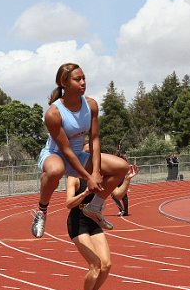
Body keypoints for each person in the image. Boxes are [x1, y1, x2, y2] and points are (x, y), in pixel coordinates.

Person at [31, 63, 129, 238]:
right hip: (56, 155)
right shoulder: (53, 114)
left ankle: (95, 207)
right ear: (64, 83)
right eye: (78, 79)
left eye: (84, 78)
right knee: (56, 170)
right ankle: (41, 211)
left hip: (79, 156)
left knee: (121, 167)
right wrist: (88, 177)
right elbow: (66, 150)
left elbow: (94, 139)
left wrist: (97, 171)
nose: (83, 82)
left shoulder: (91, 105)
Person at [67, 163, 139, 290]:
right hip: (77, 224)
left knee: (106, 265)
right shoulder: (74, 178)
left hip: (94, 222)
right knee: (95, 264)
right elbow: (68, 203)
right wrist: (85, 193)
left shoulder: (101, 177)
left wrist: (127, 179)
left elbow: (118, 194)